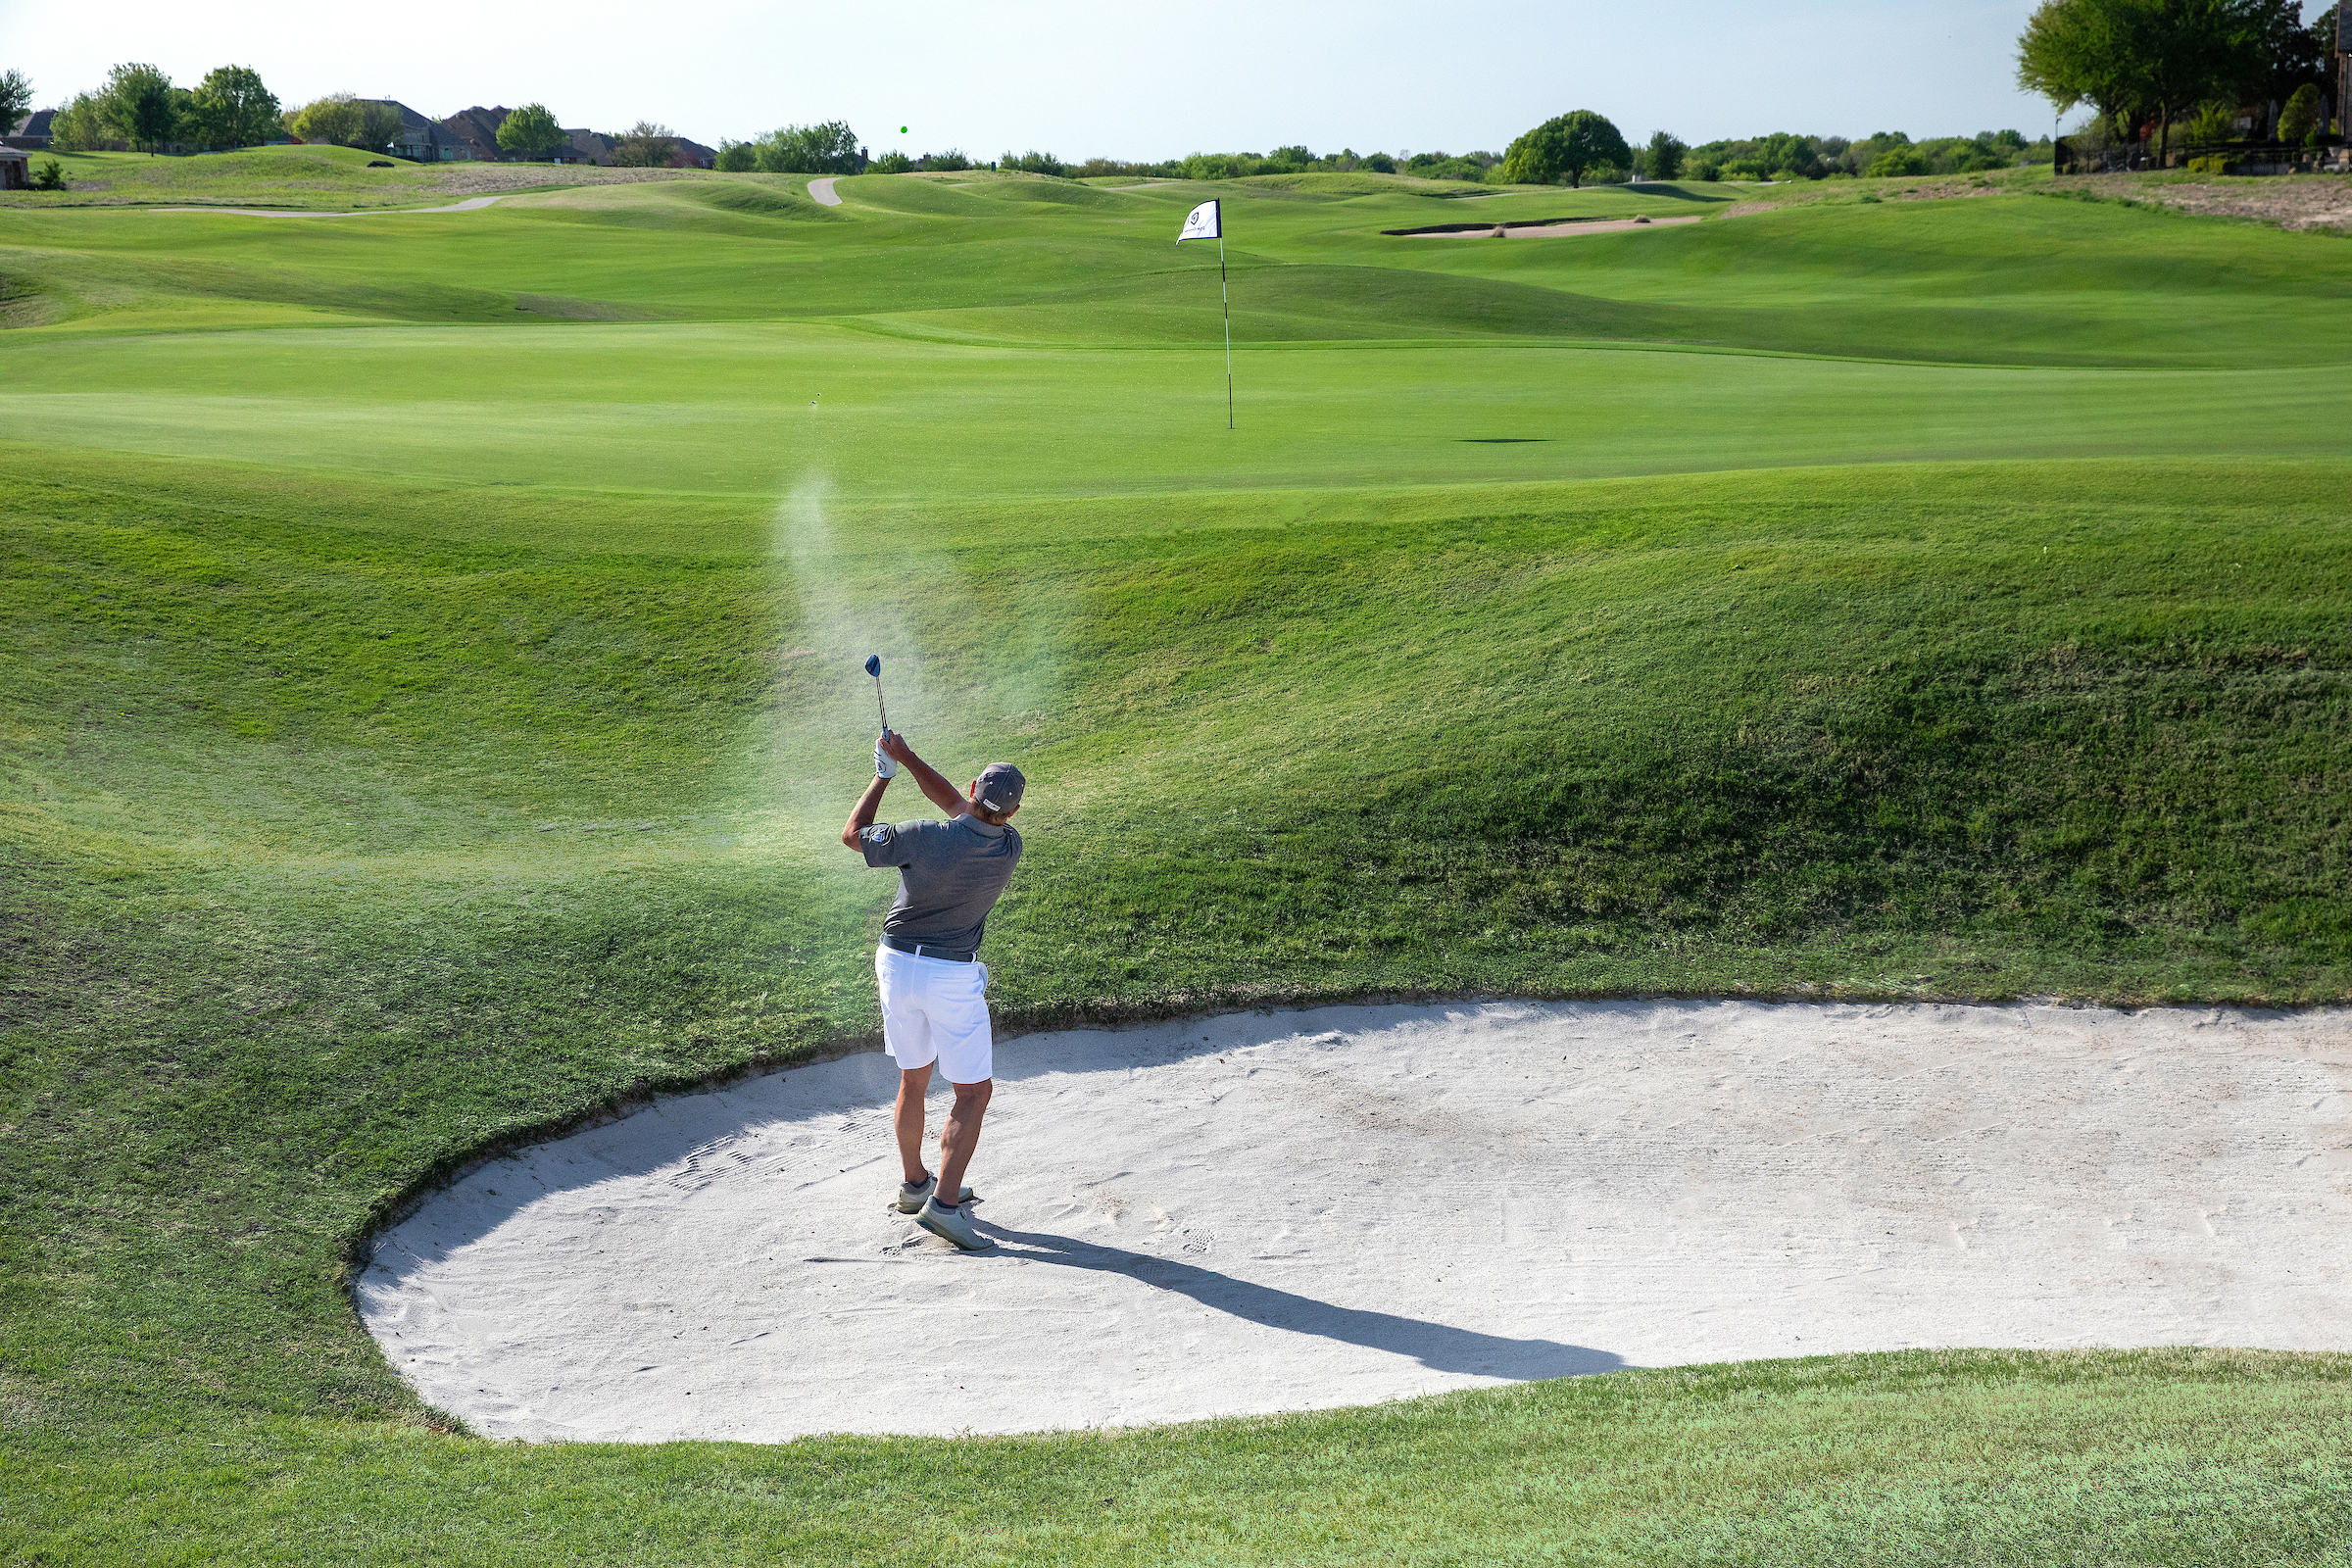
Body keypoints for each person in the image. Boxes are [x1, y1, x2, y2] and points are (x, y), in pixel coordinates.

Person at [839, 728, 1026, 1251]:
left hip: (897, 966)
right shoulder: (1008, 846)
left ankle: (914, 1184)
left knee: (913, 1077)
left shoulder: (922, 836)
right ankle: (943, 1206)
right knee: (973, 1093)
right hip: (951, 978)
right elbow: (961, 809)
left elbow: (854, 834)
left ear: (973, 788)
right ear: (1012, 812)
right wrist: (907, 759)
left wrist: (886, 773)